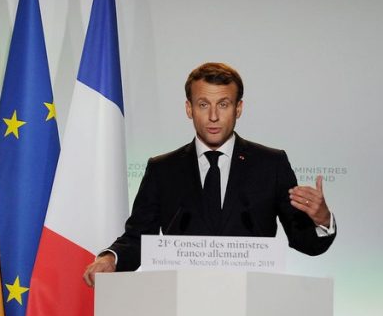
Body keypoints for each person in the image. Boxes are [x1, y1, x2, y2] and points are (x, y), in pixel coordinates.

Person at [83, 62, 335, 285]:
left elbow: (306, 242)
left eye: (223, 104)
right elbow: (139, 238)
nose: (213, 116)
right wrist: (111, 258)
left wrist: (323, 220)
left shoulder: (271, 164)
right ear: (189, 108)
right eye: (203, 104)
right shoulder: (163, 169)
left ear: (238, 109)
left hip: (252, 303)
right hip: (182, 304)